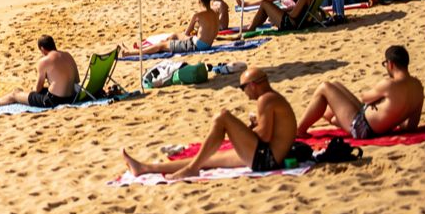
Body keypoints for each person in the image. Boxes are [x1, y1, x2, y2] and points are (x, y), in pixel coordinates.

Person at [121, 67, 297, 179]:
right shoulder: (273, 98)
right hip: (270, 157)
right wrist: (250, 129)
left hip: (266, 160)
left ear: (252, 85)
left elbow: (263, 137)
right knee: (207, 159)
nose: (243, 92)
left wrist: (243, 131)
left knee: (223, 117)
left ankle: (192, 168)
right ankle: (145, 168)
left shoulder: (265, 100)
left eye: (242, 87)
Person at [295, 45, 424, 139]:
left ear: (390, 64)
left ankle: (299, 130)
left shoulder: (389, 84)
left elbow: (365, 98)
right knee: (335, 85)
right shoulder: (418, 87)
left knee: (325, 87)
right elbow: (410, 126)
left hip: (362, 127)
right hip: (375, 126)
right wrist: (394, 114)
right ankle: (336, 120)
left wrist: (380, 99)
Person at [0, 35, 80, 111]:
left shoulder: (44, 61)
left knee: (14, 95)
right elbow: (76, 80)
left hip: (53, 101)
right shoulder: (68, 55)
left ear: (42, 49)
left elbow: (37, 89)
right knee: (23, 93)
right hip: (71, 97)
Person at [129, 0, 219, 55]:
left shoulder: (198, 15)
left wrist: (194, 34)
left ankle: (130, 53)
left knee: (161, 46)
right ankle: (161, 43)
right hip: (207, 44)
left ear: (199, 2)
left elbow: (186, 33)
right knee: (175, 35)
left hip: (197, 45)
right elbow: (215, 32)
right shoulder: (215, 13)